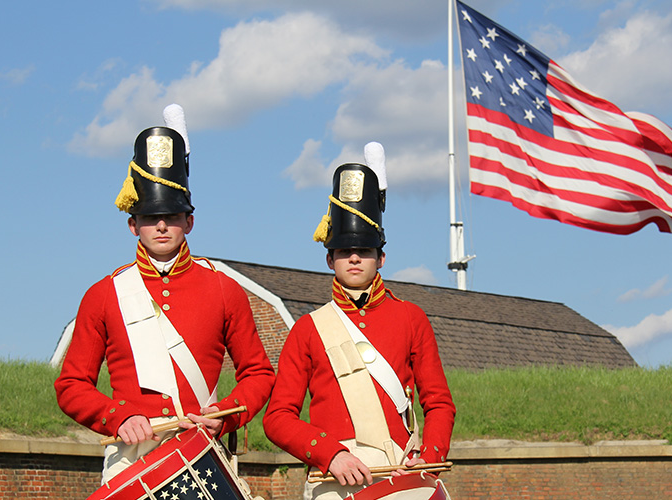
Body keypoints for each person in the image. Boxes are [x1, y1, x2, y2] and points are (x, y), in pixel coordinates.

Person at [55, 104, 275, 484]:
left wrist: (223, 415)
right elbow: (72, 384)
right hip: (131, 458)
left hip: (202, 451)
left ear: (189, 221)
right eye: (149, 218)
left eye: (172, 216)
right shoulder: (105, 294)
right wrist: (118, 416)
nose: (161, 226)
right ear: (132, 225)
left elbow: (258, 373)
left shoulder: (224, 289)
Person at [263, 143, 456, 500]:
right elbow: (277, 417)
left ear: (381, 258)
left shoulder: (410, 318)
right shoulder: (308, 329)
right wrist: (329, 453)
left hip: (403, 472)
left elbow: (439, 403)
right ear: (329, 259)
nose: (354, 259)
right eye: (344, 252)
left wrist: (428, 457)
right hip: (334, 480)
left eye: (365, 251)